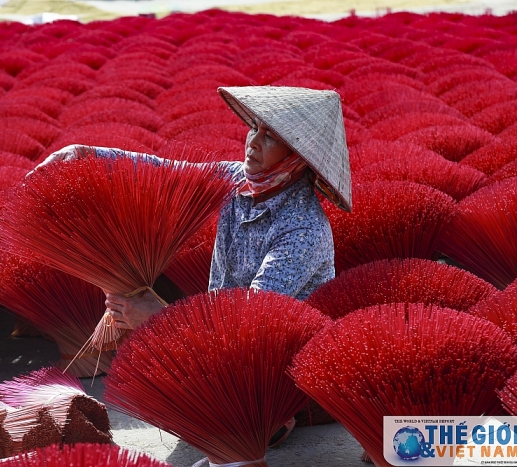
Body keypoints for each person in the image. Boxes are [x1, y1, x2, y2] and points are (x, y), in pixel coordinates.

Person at [39, 85, 352, 447]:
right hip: (222, 339)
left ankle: (271, 416)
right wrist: (84, 154)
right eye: (255, 128)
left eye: (270, 138)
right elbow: (164, 172)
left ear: (296, 157)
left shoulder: (302, 228)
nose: (253, 142)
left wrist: (163, 315)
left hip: (274, 365)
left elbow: (248, 317)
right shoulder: (239, 182)